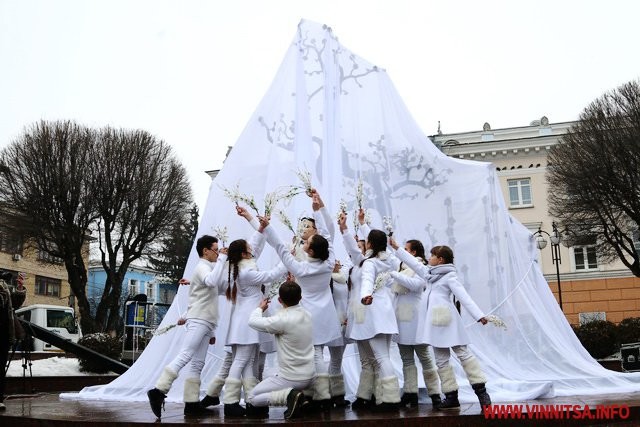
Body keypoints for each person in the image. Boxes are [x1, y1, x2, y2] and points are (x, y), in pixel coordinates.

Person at [259, 190, 340, 410]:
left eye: (308, 241)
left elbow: (280, 248)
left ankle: (320, 396)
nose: (305, 238)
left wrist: (267, 227)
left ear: (310, 250)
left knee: (315, 355)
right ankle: (321, 395)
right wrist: (317, 209)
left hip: (308, 315)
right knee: (319, 354)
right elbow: (327, 236)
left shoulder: (301, 268)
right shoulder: (329, 261)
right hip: (326, 313)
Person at [389, 241, 492, 409]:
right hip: (434, 325)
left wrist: (479, 315)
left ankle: (482, 393)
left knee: (464, 354)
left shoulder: (449, 276)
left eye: (432, 256)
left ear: (441, 259)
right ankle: (451, 396)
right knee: (441, 360)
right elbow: (413, 262)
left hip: (448, 322)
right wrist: (396, 248)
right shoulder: (429, 274)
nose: (429, 258)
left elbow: (463, 296)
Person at [147, 235, 227, 419]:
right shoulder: (202, 267)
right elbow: (211, 282)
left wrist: (211, 330)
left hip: (206, 321)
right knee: (185, 355)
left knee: (198, 363)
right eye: (216, 250)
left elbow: (210, 293)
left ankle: (191, 403)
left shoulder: (209, 268)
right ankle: (158, 390)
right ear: (205, 251)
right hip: (200, 319)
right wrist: (223, 259)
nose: (218, 253)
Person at [222, 206, 287, 418]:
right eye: (248, 247)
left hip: (246, 318)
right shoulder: (247, 271)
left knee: (249, 361)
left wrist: (258, 227)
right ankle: (230, 401)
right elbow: (271, 275)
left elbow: (255, 243)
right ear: (243, 253)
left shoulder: (241, 264)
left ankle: (252, 401)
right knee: (241, 360)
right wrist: (287, 258)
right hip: (247, 321)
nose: (252, 247)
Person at [339, 211, 401, 412]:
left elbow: (367, 280)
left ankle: (391, 398)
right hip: (370, 313)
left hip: (371, 310)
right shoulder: (385, 259)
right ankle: (366, 395)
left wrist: (366, 294)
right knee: (367, 359)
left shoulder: (370, 263)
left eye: (366, 241)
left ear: (370, 244)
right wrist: (361, 224)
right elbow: (369, 244)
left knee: (381, 357)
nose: (362, 244)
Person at [245, 281, 315, 419]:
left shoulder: (281, 320)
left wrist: (260, 308)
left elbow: (252, 322)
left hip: (291, 378)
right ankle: (300, 398)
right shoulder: (308, 314)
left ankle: (290, 397)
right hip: (311, 375)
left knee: (252, 397)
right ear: (300, 298)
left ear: (279, 300)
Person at [388, 239, 441, 408]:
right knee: (406, 358)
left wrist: (394, 274)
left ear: (414, 252)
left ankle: (435, 393)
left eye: (406, 249)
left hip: (416, 318)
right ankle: (410, 393)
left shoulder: (421, 268)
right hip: (401, 318)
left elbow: (416, 285)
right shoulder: (402, 268)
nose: (403, 251)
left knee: (424, 356)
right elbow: (388, 255)